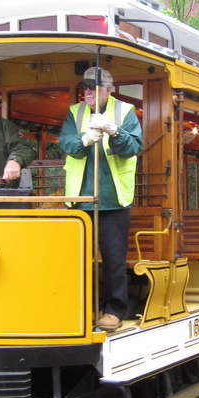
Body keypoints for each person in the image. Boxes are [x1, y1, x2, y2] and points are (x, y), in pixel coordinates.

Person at [59, 67, 142, 332]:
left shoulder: (125, 112)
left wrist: (115, 132)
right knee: (75, 257)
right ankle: (76, 306)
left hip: (113, 199)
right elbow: (65, 142)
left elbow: (133, 147)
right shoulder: (75, 112)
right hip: (80, 198)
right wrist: (83, 140)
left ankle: (114, 311)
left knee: (114, 259)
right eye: (84, 88)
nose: (86, 92)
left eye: (92, 88)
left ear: (108, 89)